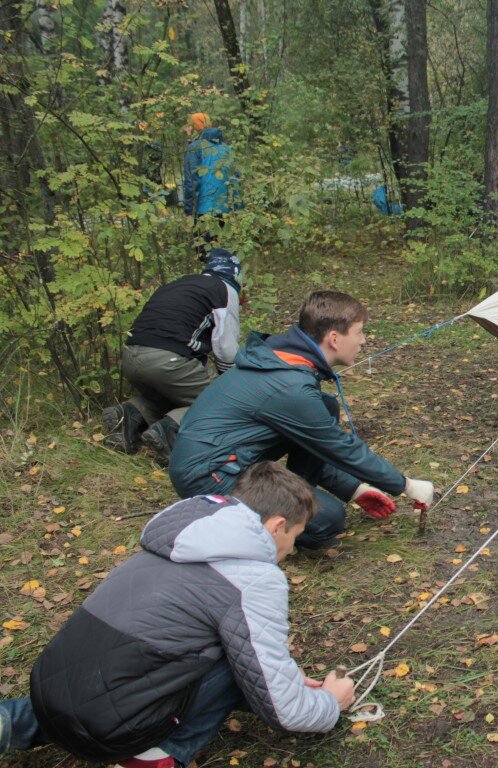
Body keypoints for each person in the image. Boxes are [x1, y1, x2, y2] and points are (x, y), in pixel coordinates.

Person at [0, 461, 357, 768]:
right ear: (277, 526)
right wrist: (328, 703)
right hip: (110, 726)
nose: (292, 548)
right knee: (236, 658)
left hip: (48, 693)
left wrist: (289, 681)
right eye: (295, 535)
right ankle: (157, 754)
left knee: (215, 648)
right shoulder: (254, 579)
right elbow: (285, 710)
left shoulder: (170, 544)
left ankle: (13, 721)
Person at [168, 290, 436, 552]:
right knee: (328, 519)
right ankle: (238, 521)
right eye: (359, 332)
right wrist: (406, 485)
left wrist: (355, 489)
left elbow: (314, 443)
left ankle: (292, 496)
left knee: (326, 406)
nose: (363, 341)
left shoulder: (284, 362)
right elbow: (340, 446)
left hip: (230, 460)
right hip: (208, 477)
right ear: (333, 338)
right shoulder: (289, 387)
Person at [103, 249, 242, 466]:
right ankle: (168, 430)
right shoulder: (225, 289)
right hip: (167, 361)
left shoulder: (179, 284)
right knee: (218, 402)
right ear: (235, 274)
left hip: (131, 356)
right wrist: (230, 384)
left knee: (170, 395)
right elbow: (226, 347)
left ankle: (127, 416)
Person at [183, 113, 240, 259]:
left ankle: (207, 279)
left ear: (196, 126)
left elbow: (191, 181)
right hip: (225, 208)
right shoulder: (227, 149)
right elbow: (234, 179)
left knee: (204, 254)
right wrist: (237, 208)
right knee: (223, 251)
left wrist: (188, 210)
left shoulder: (195, 148)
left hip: (204, 208)